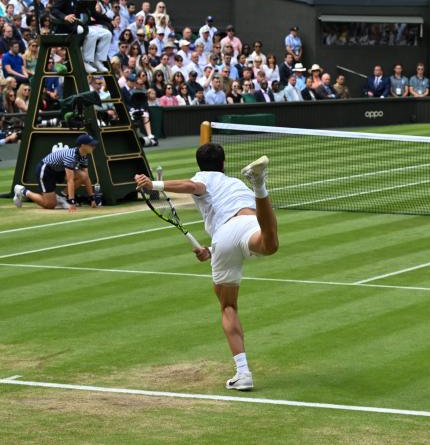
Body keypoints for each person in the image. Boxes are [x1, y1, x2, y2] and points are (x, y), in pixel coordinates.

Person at [134, 146, 279, 391]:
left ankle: (243, 373)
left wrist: (153, 185)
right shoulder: (233, 182)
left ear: (199, 164)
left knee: (229, 306)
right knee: (270, 244)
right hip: (248, 225)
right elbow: (208, 198)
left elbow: (194, 188)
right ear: (223, 163)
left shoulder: (202, 177)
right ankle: (260, 185)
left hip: (225, 236)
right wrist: (211, 250)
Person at [13, 134, 99, 211]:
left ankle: (62, 197)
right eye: (91, 145)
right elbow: (70, 180)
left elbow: (86, 177)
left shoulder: (84, 156)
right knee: (50, 205)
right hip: (46, 170)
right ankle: (22, 191)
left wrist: (92, 199)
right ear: (83, 146)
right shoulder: (70, 156)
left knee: (83, 176)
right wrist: (72, 202)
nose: (94, 147)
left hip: (59, 170)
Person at [51, 0, 113, 74]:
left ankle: (98, 60)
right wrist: (65, 16)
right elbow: (54, 10)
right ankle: (86, 61)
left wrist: (110, 21)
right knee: (91, 33)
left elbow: (94, 14)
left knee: (107, 34)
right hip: (69, 27)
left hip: (83, 25)